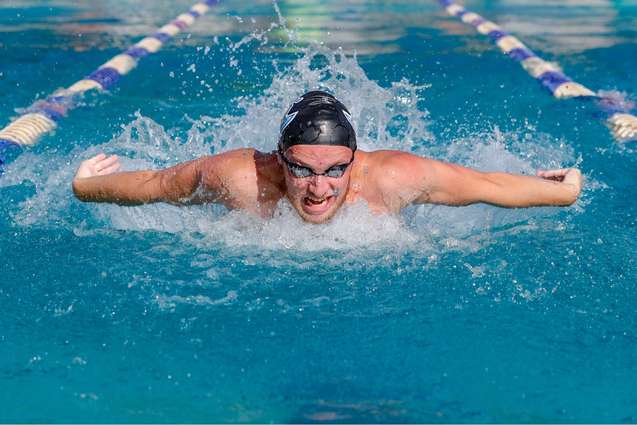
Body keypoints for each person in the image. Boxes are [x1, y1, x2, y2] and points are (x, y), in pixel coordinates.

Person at [72, 90, 583, 224]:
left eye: (335, 170)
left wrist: (565, 191)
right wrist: (84, 187)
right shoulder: (239, 176)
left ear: (355, 163)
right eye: (303, 170)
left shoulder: (394, 177)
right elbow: (161, 186)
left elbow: (486, 187)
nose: (319, 189)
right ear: (280, 161)